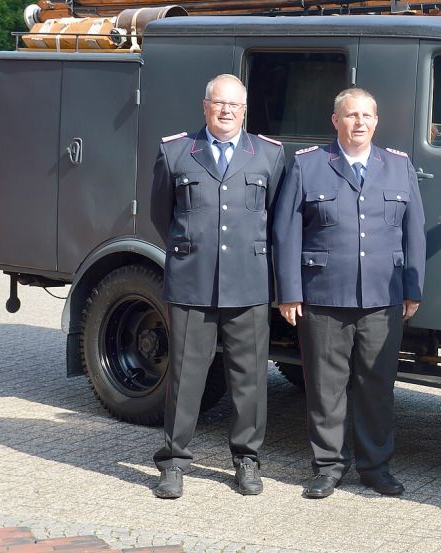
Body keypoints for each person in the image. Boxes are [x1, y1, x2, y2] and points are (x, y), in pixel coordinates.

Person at [272, 87, 426, 499]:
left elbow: (413, 231)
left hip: (383, 296)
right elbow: (285, 233)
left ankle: (376, 468)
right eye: (351, 115)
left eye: (367, 116)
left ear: (376, 122)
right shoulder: (308, 166)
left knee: (377, 386)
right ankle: (327, 466)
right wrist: (289, 292)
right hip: (323, 296)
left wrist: (414, 288)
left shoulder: (397, 166)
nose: (360, 123)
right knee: (325, 388)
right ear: (336, 120)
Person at [150, 73, 286, 499]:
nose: (226, 111)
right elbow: (161, 216)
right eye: (218, 103)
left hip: (248, 284)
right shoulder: (175, 152)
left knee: (249, 379)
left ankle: (246, 460)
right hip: (192, 284)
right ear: (204, 106)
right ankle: (173, 462)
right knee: (185, 378)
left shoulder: (269, 155)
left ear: (244, 111)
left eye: (234, 105)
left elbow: (277, 219)